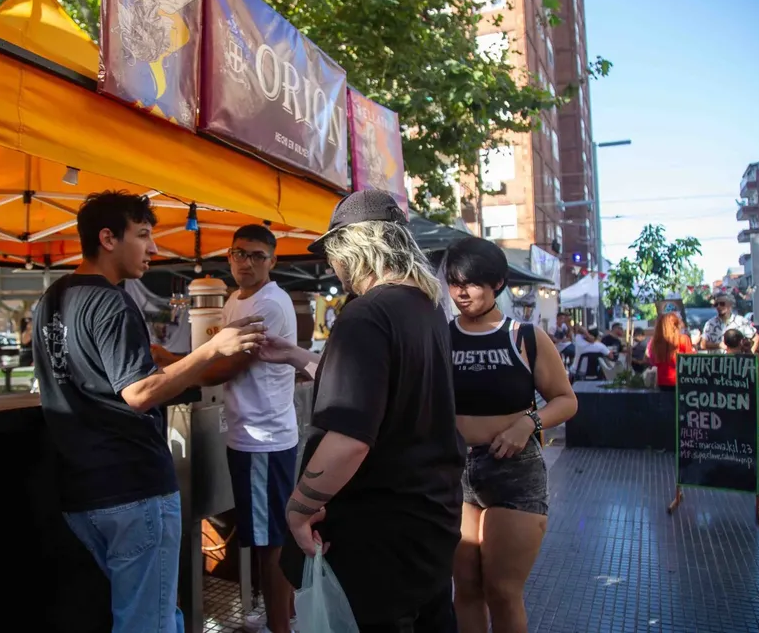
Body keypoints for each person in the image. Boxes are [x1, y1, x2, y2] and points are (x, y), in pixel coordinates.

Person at [32, 191, 266, 633]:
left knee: (149, 612)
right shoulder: (110, 302)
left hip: (80, 490)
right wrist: (211, 350)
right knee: (151, 621)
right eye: (142, 235)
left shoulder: (52, 299)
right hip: (132, 489)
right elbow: (138, 393)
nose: (154, 249)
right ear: (107, 238)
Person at [256, 190, 465, 632]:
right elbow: (380, 389)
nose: (333, 265)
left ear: (355, 246)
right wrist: (296, 355)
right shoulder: (426, 309)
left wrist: (297, 508)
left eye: (334, 251)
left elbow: (350, 439)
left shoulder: (366, 314)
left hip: (377, 540)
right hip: (429, 526)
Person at [154, 225, 298, 633]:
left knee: (270, 542)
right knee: (264, 537)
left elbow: (226, 366)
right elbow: (215, 352)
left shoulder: (270, 304)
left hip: (263, 439)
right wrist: (177, 358)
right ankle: (278, 616)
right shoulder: (234, 300)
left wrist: (171, 367)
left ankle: (279, 626)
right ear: (229, 256)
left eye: (256, 255)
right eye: (239, 253)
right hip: (248, 433)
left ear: (272, 260)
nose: (246, 262)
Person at [444, 238, 577, 633]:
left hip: (514, 472)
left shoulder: (525, 337)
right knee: (464, 589)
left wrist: (527, 423)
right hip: (453, 470)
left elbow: (566, 400)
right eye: (454, 283)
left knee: (502, 590)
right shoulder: (439, 336)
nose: (461, 293)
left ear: (497, 283)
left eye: (472, 283)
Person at [647, 312, 695, 391]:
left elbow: (652, 361)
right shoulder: (683, 339)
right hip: (680, 381)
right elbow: (689, 361)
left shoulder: (654, 342)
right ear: (675, 326)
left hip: (661, 381)